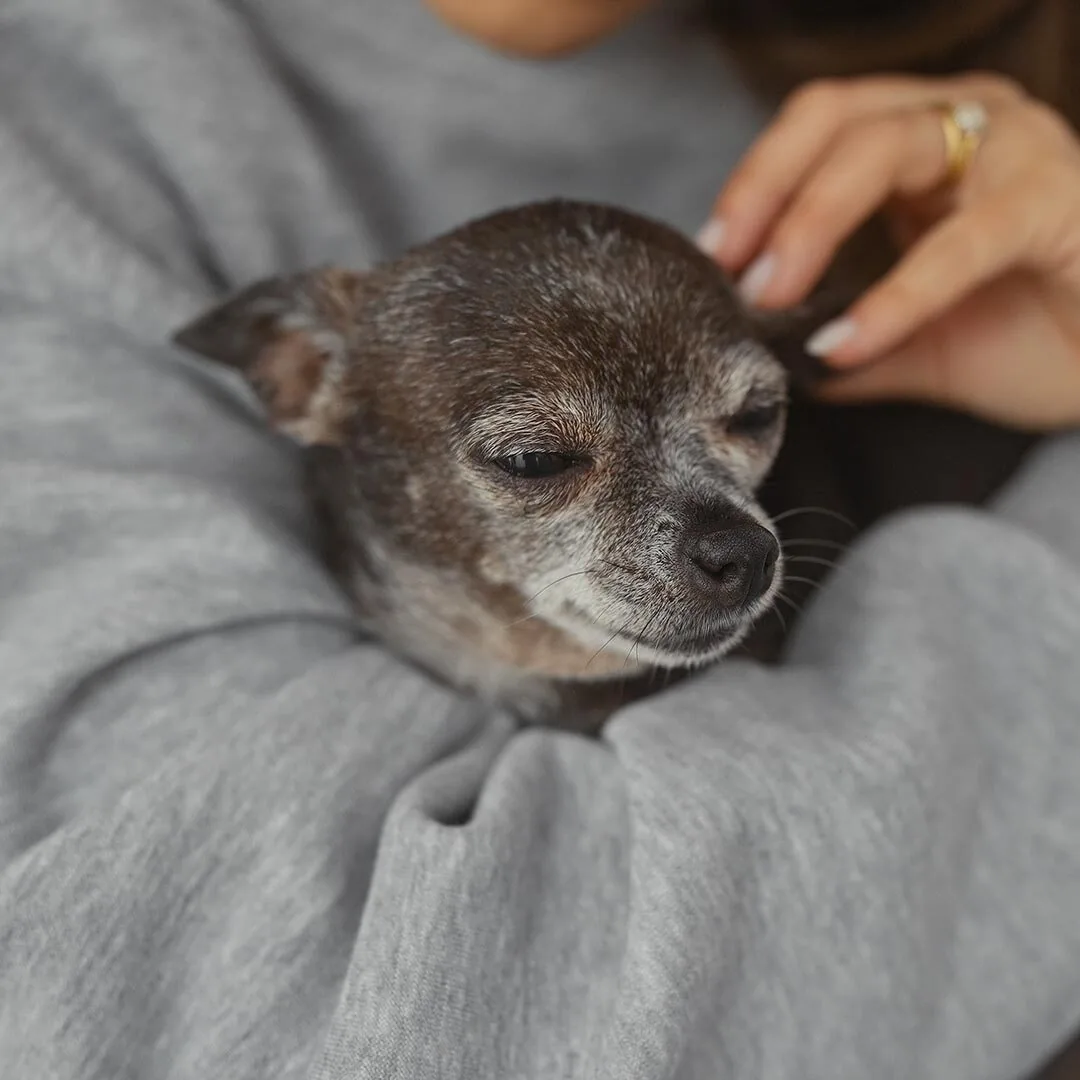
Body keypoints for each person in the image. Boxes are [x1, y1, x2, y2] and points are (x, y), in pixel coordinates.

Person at [0, 1, 1078, 1078]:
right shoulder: (64, 107)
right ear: (298, 372)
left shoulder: (943, 170)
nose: (735, 541)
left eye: (748, 419)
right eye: (539, 461)